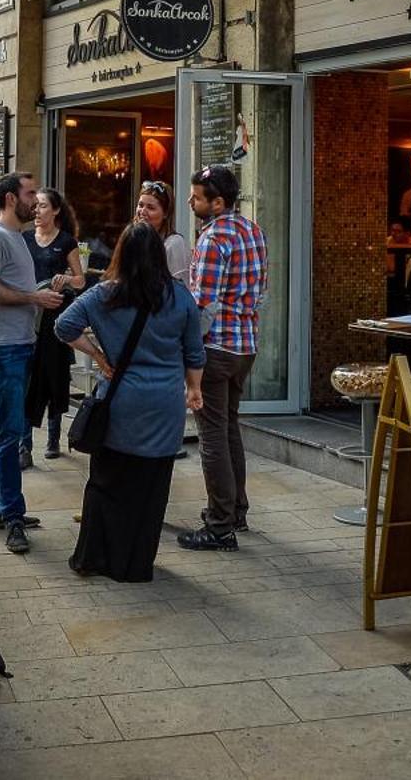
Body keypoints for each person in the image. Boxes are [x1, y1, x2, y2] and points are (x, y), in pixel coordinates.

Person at [59, 223, 205, 582]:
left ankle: (94, 557)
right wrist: (194, 389)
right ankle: (135, 564)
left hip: (121, 401)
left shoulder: (105, 294)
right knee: (150, 490)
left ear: (121, 254)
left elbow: (63, 326)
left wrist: (99, 357)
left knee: (106, 482)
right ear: (159, 255)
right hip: (165, 405)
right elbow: (195, 353)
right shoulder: (180, 296)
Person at [179, 164, 268, 553]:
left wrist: (190, 353)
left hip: (215, 348)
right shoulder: (253, 230)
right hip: (245, 344)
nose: (190, 201)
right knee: (229, 428)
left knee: (212, 436)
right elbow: (261, 292)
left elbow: (204, 305)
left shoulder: (213, 238)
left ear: (217, 202)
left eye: (197, 197)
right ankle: (236, 511)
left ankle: (219, 527)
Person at [0, 173, 63, 555]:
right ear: (11, 199)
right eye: (29, 194)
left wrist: (40, 293)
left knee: (1, 426)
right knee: (10, 431)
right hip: (4, 345)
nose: (35, 200)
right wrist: (34, 299)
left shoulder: (17, 237)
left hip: (17, 342)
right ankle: (12, 516)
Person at [23, 188, 83, 464]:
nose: (37, 211)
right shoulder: (24, 239)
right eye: (35, 206)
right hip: (29, 316)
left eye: (43, 206)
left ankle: (53, 438)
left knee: (55, 375)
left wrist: (65, 279)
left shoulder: (67, 241)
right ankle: (24, 445)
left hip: (56, 316)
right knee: (28, 378)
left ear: (56, 210)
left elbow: (80, 280)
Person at [135, 181, 191, 283]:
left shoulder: (174, 244)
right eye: (140, 205)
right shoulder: (136, 241)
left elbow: (180, 291)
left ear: (166, 213)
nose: (142, 211)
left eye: (150, 208)